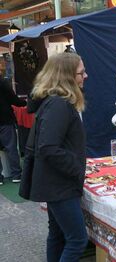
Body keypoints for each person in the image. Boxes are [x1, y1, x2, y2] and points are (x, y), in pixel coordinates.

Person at [26, 53, 89, 261]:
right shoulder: (59, 105)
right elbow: (48, 147)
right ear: (67, 76)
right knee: (77, 240)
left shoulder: (55, 102)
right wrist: (77, 168)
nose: (85, 76)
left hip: (54, 183)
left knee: (57, 235)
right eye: (81, 72)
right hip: (60, 185)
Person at [0, 78, 26, 185]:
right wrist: (24, 102)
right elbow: (13, 100)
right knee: (11, 147)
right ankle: (16, 174)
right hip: (5, 119)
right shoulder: (3, 83)